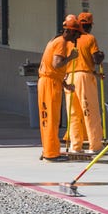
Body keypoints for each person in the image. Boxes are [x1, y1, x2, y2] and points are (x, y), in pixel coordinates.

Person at [37, 15, 82, 162]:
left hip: (48, 82)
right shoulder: (61, 43)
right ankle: (51, 153)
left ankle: (48, 149)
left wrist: (65, 85)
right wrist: (71, 57)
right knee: (50, 119)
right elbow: (56, 64)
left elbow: (53, 70)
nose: (77, 37)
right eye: (76, 34)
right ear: (70, 31)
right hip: (49, 85)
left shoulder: (55, 40)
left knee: (46, 118)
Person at [64, 12, 105, 154]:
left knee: (73, 113)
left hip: (69, 77)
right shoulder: (90, 38)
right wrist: (101, 55)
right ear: (89, 25)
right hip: (84, 79)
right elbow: (95, 59)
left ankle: (76, 146)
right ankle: (95, 146)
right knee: (90, 112)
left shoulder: (69, 39)